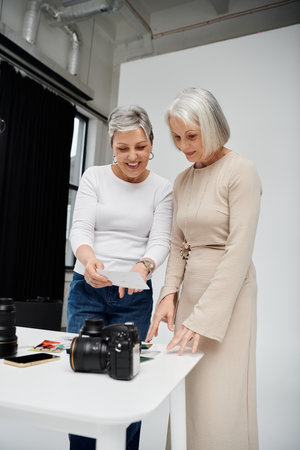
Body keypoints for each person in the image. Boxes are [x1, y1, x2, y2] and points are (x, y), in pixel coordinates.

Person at [146, 88, 262, 450]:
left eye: (191, 136)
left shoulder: (241, 171)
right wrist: (169, 294)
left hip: (229, 298)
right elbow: (179, 247)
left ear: (212, 126)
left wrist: (203, 317)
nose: (184, 146)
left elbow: (239, 251)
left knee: (220, 397)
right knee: (188, 395)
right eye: (177, 137)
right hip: (191, 294)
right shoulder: (182, 181)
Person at [67, 105, 173, 450]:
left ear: (151, 143)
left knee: (127, 382)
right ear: (112, 145)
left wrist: (142, 268)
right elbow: (80, 229)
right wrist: (89, 258)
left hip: (134, 295)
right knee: (82, 381)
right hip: (88, 289)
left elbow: (160, 240)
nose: (132, 156)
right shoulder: (94, 177)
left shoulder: (162, 188)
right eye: (123, 147)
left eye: (140, 147)